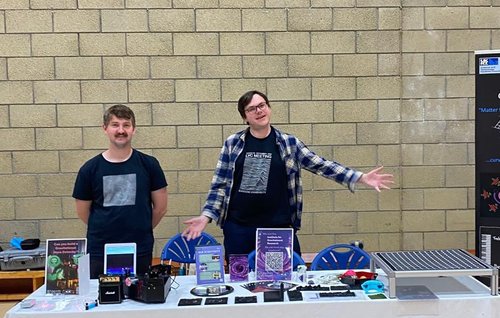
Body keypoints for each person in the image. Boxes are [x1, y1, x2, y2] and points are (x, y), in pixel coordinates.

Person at [182, 90, 393, 258]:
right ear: (245, 117)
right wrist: (206, 216)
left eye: (262, 105)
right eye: (251, 109)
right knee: (243, 283)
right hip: (239, 229)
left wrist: (359, 177)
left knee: (283, 282)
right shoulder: (233, 143)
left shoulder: (289, 143)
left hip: (278, 228)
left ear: (269, 108)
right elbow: (220, 185)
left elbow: (321, 164)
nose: (258, 111)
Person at [73, 104, 168, 278]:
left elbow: (160, 208)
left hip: (139, 248)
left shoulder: (149, 165)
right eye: (115, 125)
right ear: (105, 129)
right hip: (100, 250)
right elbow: (82, 211)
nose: (121, 130)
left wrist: (141, 228)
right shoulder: (89, 169)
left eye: (126, 125)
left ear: (133, 129)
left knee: (138, 300)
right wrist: (107, 227)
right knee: (104, 300)